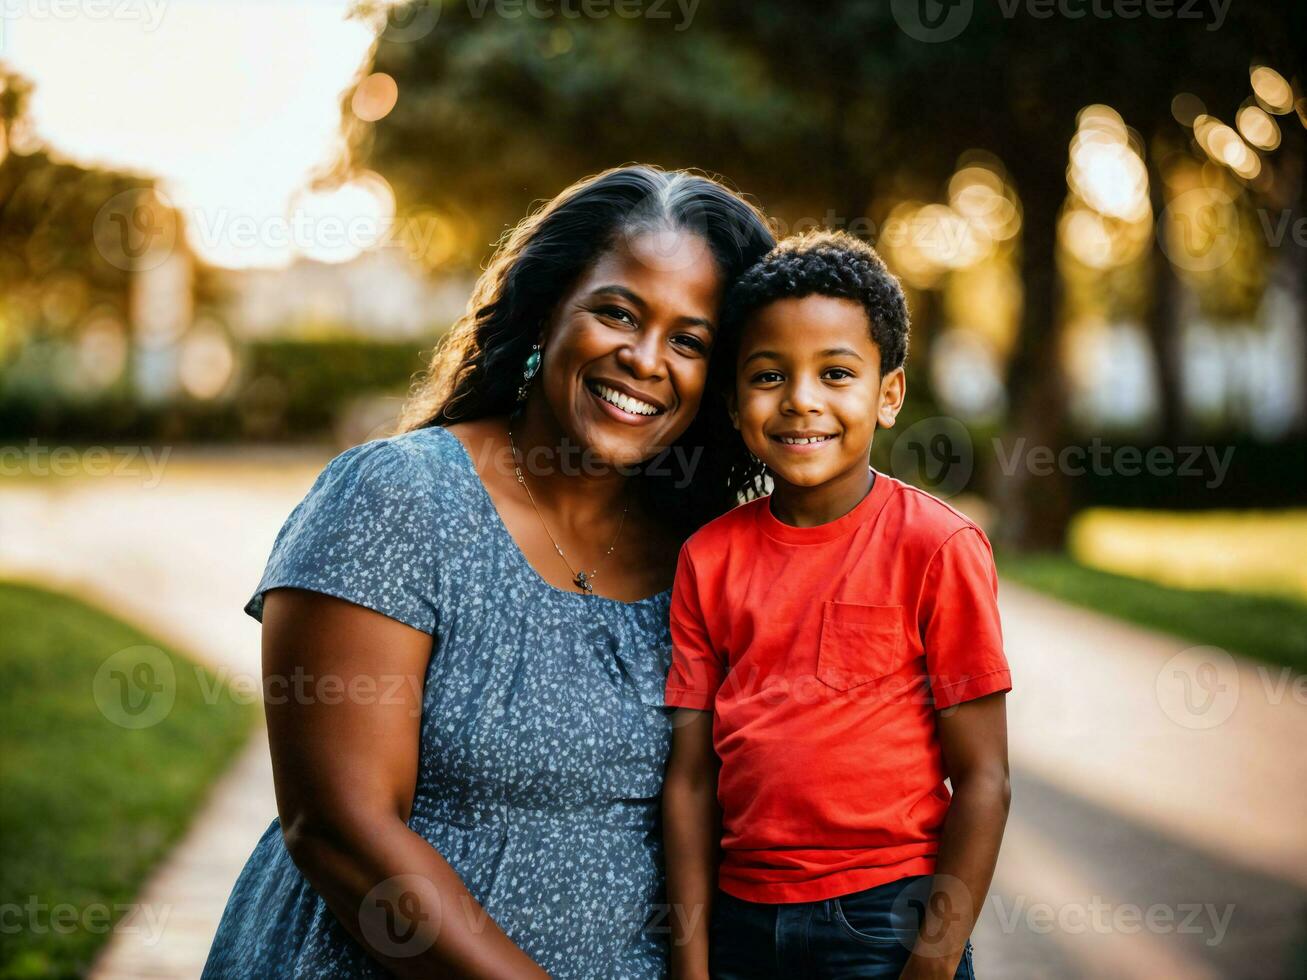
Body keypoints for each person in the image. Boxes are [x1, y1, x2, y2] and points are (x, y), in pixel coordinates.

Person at [202, 165, 775, 979]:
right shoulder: (398, 499)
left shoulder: (708, 555)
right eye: (617, 312)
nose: (646, 359)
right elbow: (339, 829)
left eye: (691, 340)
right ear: (545, 314)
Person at [662, 231, 1012, 979]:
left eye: (835, 373)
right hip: (740, 921)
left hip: (888, 921)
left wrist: (934, 959)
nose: (800, 400)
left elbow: (983, 779)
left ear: (887, 395)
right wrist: (692, 961)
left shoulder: (938, 548)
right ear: (731, 399)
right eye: (767, 376)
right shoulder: (707, 558)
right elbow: (690, 778)